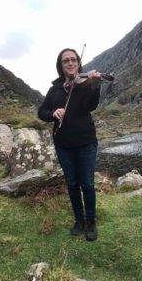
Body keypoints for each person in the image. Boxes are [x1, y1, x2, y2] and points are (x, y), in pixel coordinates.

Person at [38, 48, 102, 241]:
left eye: (74, 60)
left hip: (85, 142)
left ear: (78, 63)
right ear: (61, 65)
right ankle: (79, 220)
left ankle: (90, 222)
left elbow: (91, 105)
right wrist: (52, 113)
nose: (70, 63)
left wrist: (95, 85)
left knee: (88, 185)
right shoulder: (54, 89)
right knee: (72, 185)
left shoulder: (85, 84)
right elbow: (41, 112)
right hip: (63, 144)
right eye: (66, 60)